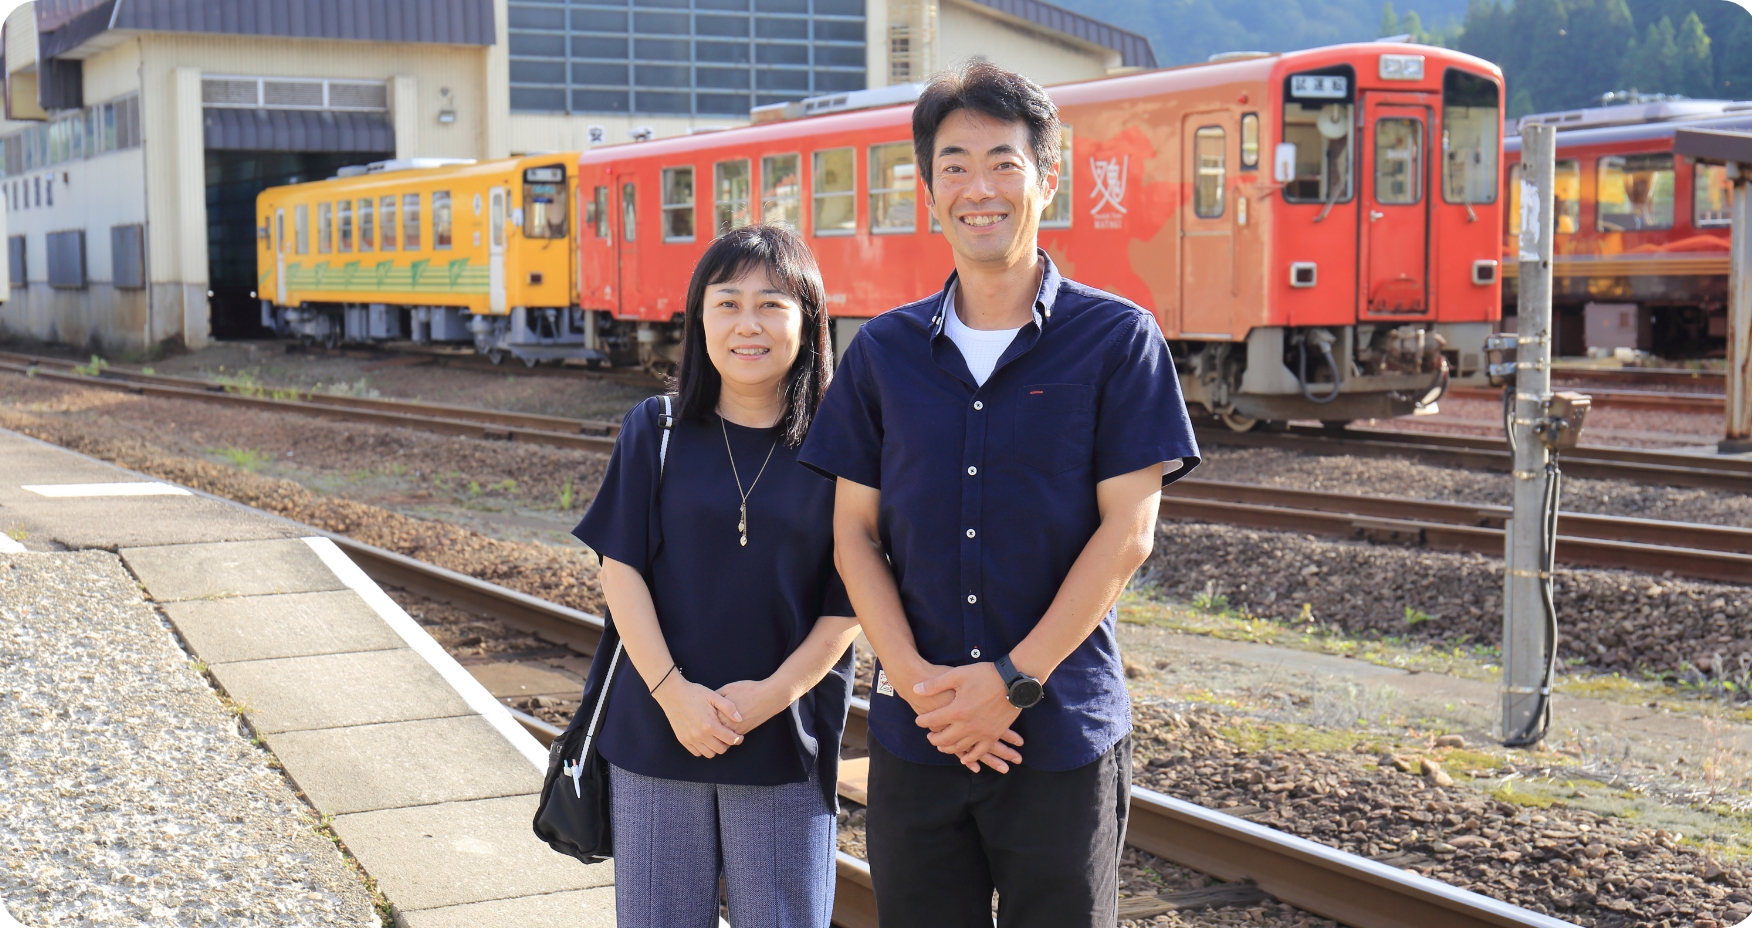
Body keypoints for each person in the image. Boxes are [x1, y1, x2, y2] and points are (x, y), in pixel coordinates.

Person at [798, 61, 1200, 928]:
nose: (979, 188)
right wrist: (922, 689)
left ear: (1047, 179)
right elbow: (853, 538)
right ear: (929, 191)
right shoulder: (882, 353)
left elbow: (1129, 533)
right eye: (954, 166)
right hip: (919, 736)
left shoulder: (1117, 339)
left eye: (1003, 162)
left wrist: (1010, 684)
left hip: (1058, 734)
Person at [572, 225, 858, 928]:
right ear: (700, 319)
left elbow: (849, 601)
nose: (747, 325)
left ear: (810, 321)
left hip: (784, 735)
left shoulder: (842, 447)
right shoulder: (656, 429)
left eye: (772, 304)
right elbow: (622, 569)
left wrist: (768, 697)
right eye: (726, 303)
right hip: (656, 731)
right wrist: (674, 696)